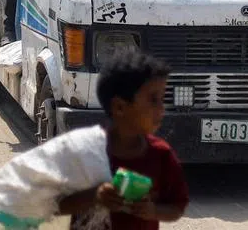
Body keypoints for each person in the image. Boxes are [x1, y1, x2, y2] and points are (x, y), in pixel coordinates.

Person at [61, 49, 188, 230]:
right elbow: (58, 204)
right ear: (120, 107)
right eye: (153, 100)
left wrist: (152, 211)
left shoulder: (161, 155)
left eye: (162, 99)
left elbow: (177, 207)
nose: (162, 108)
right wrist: (95, 196)